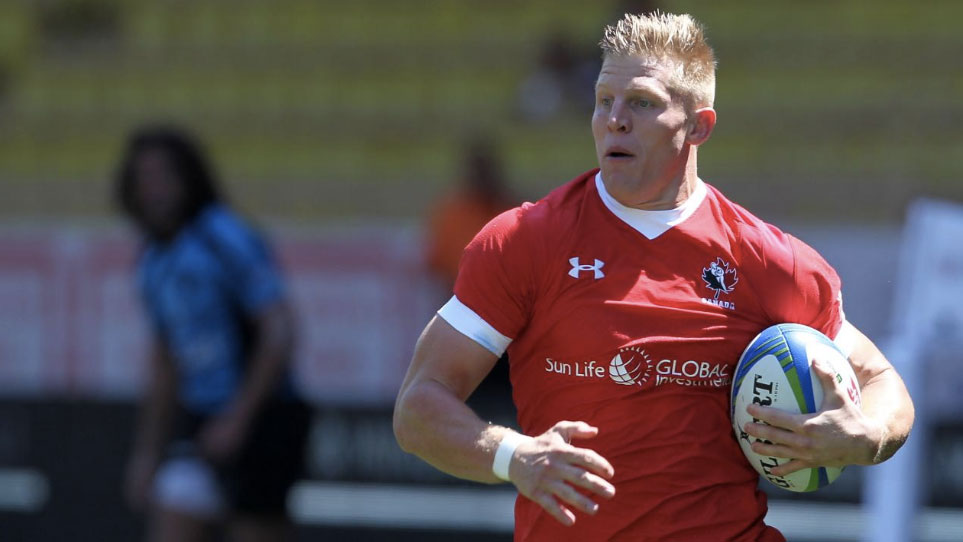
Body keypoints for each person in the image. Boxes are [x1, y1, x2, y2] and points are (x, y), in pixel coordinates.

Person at [394, 12, 914, 541]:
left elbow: (883, 382)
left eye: (641, 102)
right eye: (602, 100)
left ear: (698, 126)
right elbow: (418, 408)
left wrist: (863, 435)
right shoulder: (525, 241)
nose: (614, 119)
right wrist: (516, 456)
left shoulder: (771, 262)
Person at [117, 126, 310, 542]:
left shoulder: (224, 237)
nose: (154, 190)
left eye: (163, 176)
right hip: (200, 423)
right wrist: (147, 452)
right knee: (174, 513)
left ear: (189, 178)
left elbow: (278, 331)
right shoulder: (152, 261)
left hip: (263, 417)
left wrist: (238, 417)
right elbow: (166, 358)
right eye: (143, 178)